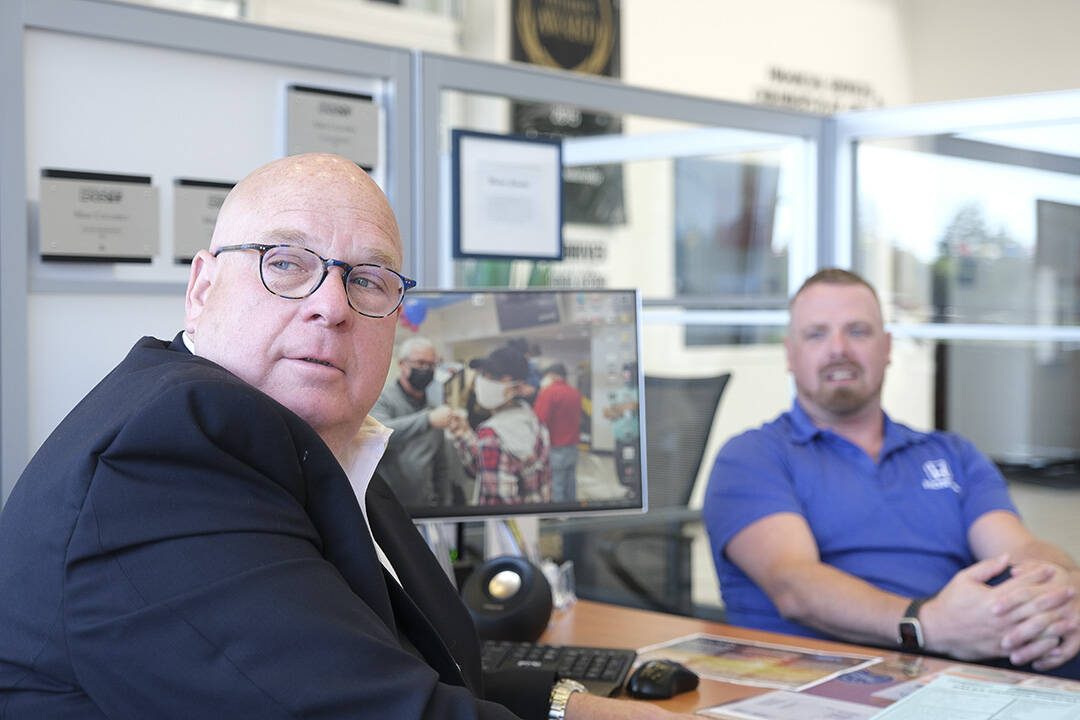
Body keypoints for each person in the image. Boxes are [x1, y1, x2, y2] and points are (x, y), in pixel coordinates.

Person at [0, 153, 695, 720]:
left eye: (367, 280)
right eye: (286, 262)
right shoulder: (174, 448)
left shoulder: (327, 443)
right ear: (202, 288)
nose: (331, 307)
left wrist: (568, 705)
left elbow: (426, 667)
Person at [703, 267, 1080, 676]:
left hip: (967, 665)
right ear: (789, 354)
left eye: (858, 331)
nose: (838, 349)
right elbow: (796, 586)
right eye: (816, 334)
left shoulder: (951, 453)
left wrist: (1062, 587)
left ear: (887, 347)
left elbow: (1020, 550)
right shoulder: (751, 457)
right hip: (826, 677)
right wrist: (929, 624)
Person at [372, 335, 468, 508]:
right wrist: (427, 420)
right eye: (420, 364)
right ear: (402, 364)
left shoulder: (433, 411)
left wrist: (445, 507)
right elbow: (378, 436)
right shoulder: (382, 400)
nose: (426, 369)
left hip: (425, 508)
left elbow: (441, 466)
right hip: (387, 508)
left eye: (431, 365)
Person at [451, 346, 553, 505]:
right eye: (482, 374)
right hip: (537, 520)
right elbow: (487, 467)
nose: (483, 381)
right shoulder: (534, 421)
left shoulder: (492, 435)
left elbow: (498, 505)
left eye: (493, 376)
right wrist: (465, 435)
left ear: (517, 386)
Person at [534, 363, 583, 503]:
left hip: (556, 447)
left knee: (557, 484)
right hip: (573, 445)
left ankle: (561, 516)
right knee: (570, 481)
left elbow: (539, 419)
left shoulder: (549, 392)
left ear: (553, 376)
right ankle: (572, 510)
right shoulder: (575, 392)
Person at [603, 362, 640, 493]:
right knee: (622, 470)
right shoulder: (619, 392)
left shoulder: (640, 390)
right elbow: (607, 412)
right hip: (619, 439)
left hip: (636, 440)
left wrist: (618, 409)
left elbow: (635, 406)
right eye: (625, 373)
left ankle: (636, 492)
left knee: (635, 470)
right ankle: (630, 490)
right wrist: (623, 408)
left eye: (629, 372)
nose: (627, 376)